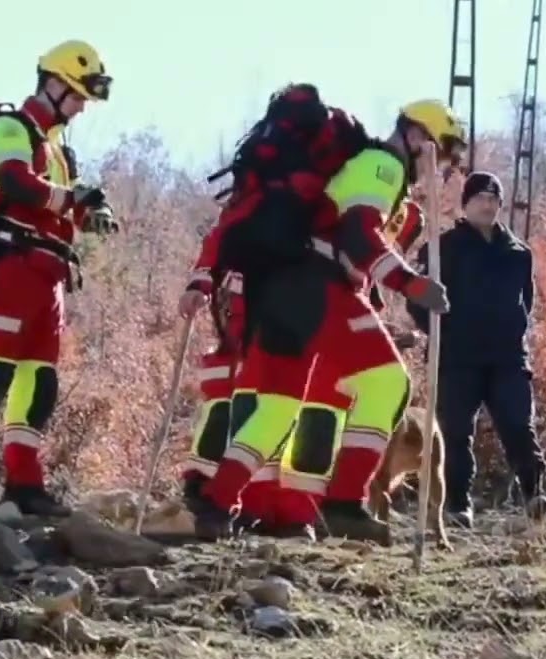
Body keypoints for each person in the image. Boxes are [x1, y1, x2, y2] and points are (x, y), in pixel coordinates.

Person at [186, 99, 464, 545]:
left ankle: (216, 504)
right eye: (444, 152)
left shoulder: (355, 166)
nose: (444, 166)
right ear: (417, 137)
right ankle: (345, 503)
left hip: (277, 292)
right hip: (321, 287)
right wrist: (411, 284)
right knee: (388, 383)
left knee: (276, 410)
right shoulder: (383, 165)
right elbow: (359, 233)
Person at [0, 40, 119, 516]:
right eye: (77, 96)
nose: (81, 107)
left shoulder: (57, 150)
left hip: (50, 275)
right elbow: (13, 181)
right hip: (12, 265)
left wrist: (89, 213)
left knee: (38, 383)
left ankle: (25, 484)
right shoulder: (9, 128)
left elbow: (56, 203)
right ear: (54, 84)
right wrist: (71, 197)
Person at [180, 200, 429, 539]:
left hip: (322, 303)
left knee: (315, 416)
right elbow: (230, 229)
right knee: (264, 406)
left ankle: (295, 511)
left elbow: (382, 233)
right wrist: (202, 281)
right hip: (274, 303)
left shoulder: (376, 195)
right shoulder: (291, 188)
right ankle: (248, 505)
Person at [406, 172, 546, 528]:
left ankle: (534, 493)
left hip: (507, 357)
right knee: (455, 432)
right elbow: (416, 299)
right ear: (466, 204)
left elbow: (525, 302)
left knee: (518, 425)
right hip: (458, 357)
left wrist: (514, 331)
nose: (487, 205)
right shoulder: (441, 249)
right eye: (480, 198)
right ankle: (457, 505)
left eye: (493, 199)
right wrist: (441, 331)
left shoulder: (518, 253)